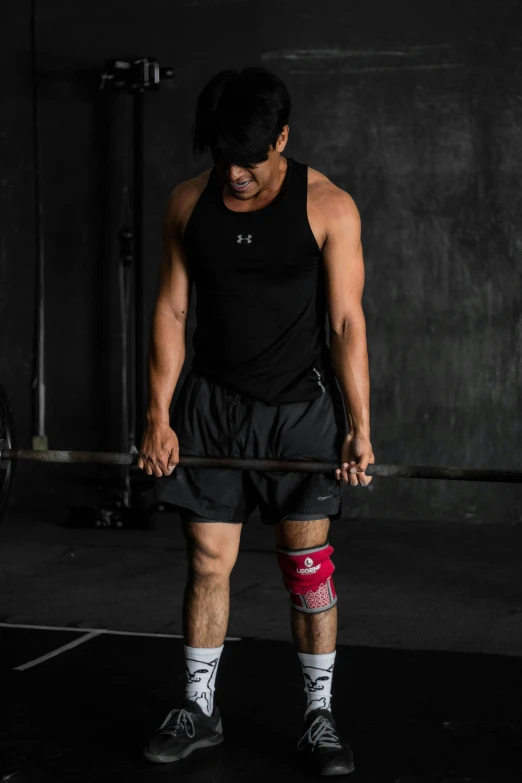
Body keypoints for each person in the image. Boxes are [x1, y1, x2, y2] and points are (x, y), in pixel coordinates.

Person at [137, 66, 375, 777]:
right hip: (211, 409)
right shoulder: (188, 203)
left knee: (306, 569)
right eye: (223, 160)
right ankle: (199, 706)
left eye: (252, 161)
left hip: (299, 411)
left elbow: (345, 321)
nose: (236, 175)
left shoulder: (329, 207)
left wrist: (360, 423)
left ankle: (319, 715)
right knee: (208, 562)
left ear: (283, 137)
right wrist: (157, 415)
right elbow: (173, 312)